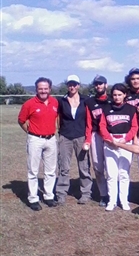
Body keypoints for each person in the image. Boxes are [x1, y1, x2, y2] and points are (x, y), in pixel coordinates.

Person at [18, 77, 59, 211]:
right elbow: (21, 120)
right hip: (35, 139)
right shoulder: (29, 104)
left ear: (50, 89)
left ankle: (48, 196)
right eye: (40, 88)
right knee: (33, 171)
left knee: (51, 171)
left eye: (45, 88)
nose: (43, 91)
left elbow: (57, 117)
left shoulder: (54, 102)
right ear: (36, 89)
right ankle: (33, 198)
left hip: (51, 139)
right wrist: (30, 133)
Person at [99, 83, 138, 211]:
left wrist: (125, 139)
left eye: (120, 95)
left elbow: (134, 127)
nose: (117, 97)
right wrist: (110, 140)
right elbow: (102, 126)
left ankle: (124, 200)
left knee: (124, 173)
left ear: (125, 95)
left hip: (125, 143)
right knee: (111, 173)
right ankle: (112, 200)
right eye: (115, 95)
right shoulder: (106, 108)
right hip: (110, 143)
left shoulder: (131, 109)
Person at [56, 75, 93, 205]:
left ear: (78, 85)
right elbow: (57, 116)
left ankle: (86, 193)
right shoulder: (62, 101)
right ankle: (61, 193)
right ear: (67, 85)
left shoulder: (86, 100)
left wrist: (87, 139)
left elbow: (90, 119)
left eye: (75, 84)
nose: (72, 87)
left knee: (83, 166)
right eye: (70, 84)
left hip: (81, 136)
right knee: (64, 167)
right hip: (65, 136)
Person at [84, 75, 110, 206]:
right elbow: (88, 123)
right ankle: (104, 194)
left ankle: (114, 193)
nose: (98, 86)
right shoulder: (90, 102)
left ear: (106, 84)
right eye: (96, 84)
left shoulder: (113, 99)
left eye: (101, 83)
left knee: (112, 167)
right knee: (98, 166)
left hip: (111, 136)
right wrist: (88, 140)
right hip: (96, 135)